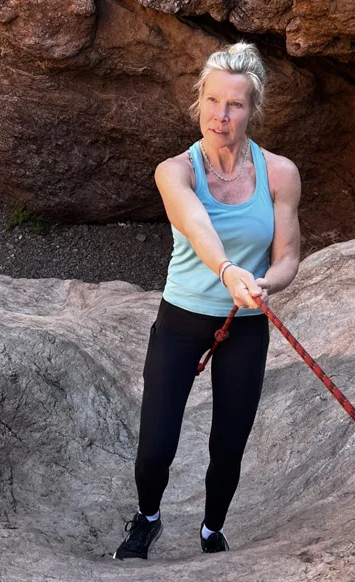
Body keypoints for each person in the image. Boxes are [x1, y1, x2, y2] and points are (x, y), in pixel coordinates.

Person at [113, 42, 301, 560]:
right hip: (182, 316)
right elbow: (197, 227)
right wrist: (228, 270)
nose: (221, 115)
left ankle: (211, 529)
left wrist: (268, 283)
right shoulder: (176, 171)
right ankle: (147, 518)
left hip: (244, 320)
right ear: (198, 102)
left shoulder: (280, 173)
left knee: (229, 445)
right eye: (213, 101)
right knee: (156, 444)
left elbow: (287, 256)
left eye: (235, 104)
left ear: (253, 110)